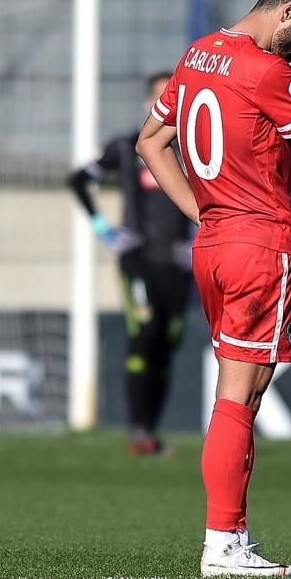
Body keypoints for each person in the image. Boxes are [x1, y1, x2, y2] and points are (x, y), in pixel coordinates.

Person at [135, 0, 291, 577]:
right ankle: (225, 543)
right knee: (239, 398)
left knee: (237, 394)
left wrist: (204, 210)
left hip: (216, 245)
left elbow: (152, 141)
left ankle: (227, 539)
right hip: (259, 245)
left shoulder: (200, 53)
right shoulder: (266, 70)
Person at [67, 72, 192, 456]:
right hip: (138, 259)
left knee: (167, 343)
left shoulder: (194, 146)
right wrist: (104, 229)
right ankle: (138, 431)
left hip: (178, 262)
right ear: (146, 104)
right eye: (158, 97)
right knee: (145, 331)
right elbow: (78, 180)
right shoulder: (126, 147)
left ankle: (151, 433)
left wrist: (199, 238)